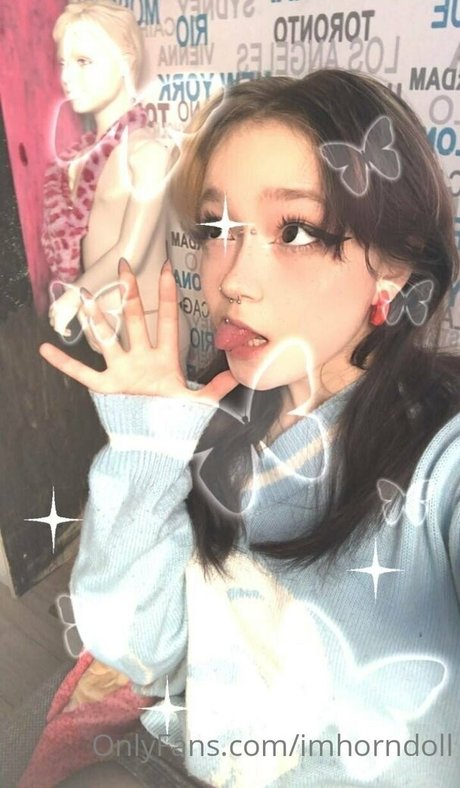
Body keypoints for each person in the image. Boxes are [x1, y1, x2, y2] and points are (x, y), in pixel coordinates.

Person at [39, 69, 460, 787]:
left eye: (293, 231)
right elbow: (140, 652)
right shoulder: (209, 429)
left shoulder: (439, 459)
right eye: (216, 229)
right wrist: (145, 449)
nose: (231, 278)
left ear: (392, 267)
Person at [43, 0, 188, 360]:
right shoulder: (78, 158)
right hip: (101, 327)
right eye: (63, 63)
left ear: (125, 62)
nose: (67, 77)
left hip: (150, 329)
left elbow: (130, 253)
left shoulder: (147, 153)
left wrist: (75, 294)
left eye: (83, 61)